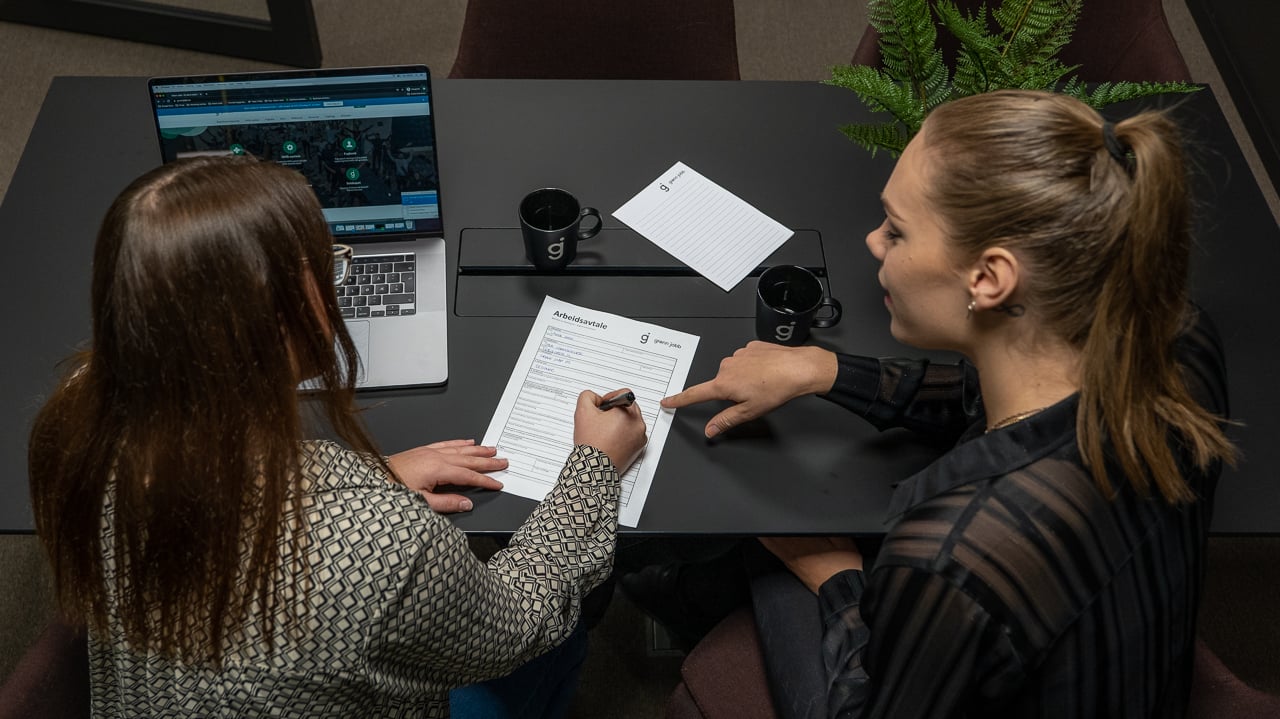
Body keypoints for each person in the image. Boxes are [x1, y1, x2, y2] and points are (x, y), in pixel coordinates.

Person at [662, 89, 1235, 718]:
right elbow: (976, 398)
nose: (873, 242)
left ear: (989, 278)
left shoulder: (952, 554)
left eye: (898, 231)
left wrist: (840, 582)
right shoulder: (1177, 334)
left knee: (764, 532)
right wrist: (824, 369)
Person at [27, 156, 648, 718]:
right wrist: (593, 466)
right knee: (562, 638)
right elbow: (516, 624)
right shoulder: (385, 547)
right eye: (324, 265)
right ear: (275, 326)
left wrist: (363, 479)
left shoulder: (75, 432)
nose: (335, 280)